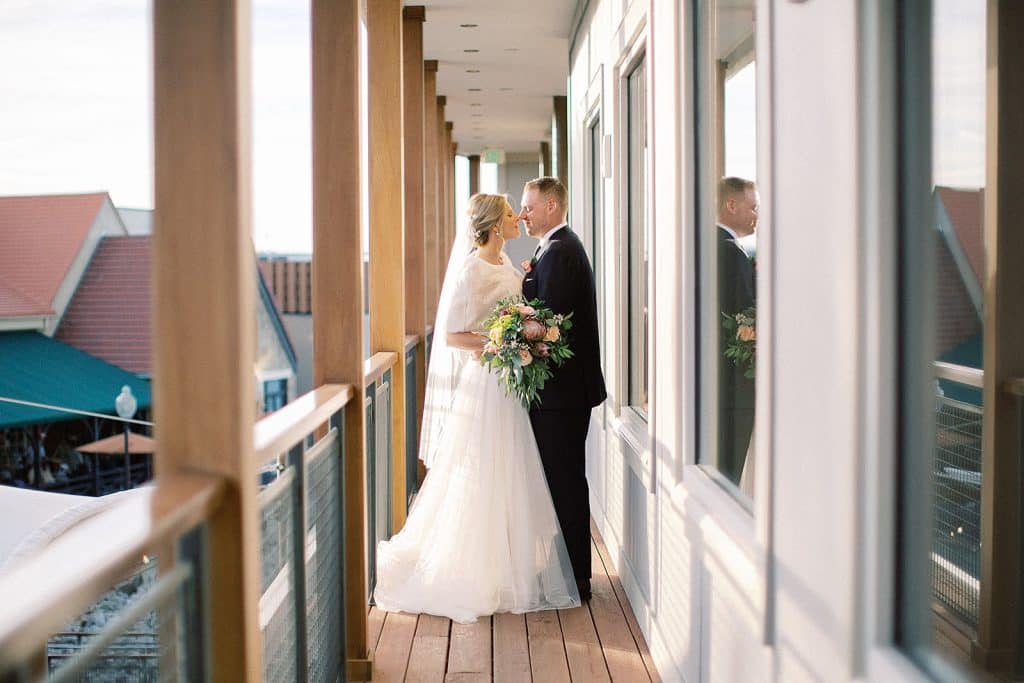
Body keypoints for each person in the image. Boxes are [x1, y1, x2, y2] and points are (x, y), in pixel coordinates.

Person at [373, 193, 580, 623]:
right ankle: (474, 567)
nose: (518, 217)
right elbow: (452, 334)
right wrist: (501, 343)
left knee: (509, 470)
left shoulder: (506, 263)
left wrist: (520, 335)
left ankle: (506, 565)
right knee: (484, 470)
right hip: (488, 381)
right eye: (510, 213)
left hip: (511, 381)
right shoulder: (470, 268)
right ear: (491, 224)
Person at [519, 177, 607, 600]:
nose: (523, 215)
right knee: (561, 480)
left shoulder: (561, 252)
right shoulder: (553, 250)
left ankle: (575, 579)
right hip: (562, 393)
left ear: (552, 206)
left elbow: (546, 326)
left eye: (529, 207)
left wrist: (514, 337)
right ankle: (567, 572)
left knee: (565, 482)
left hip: (562, 394)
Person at [716, 177, 758, 486]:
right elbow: (745, 316)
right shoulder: (732, 253)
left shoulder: (707, 247)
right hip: (734, 388)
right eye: (753, 207)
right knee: (728, 477)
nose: (756, 215)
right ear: (731, 205)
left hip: (714, 386)